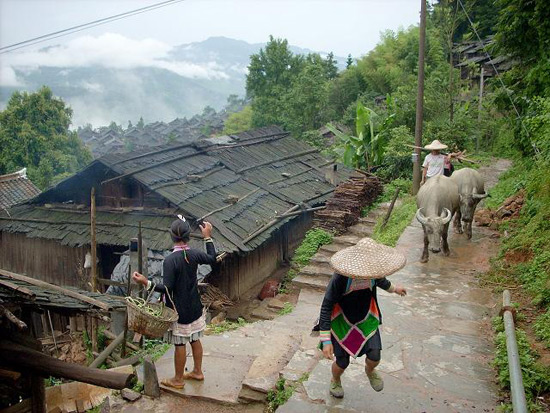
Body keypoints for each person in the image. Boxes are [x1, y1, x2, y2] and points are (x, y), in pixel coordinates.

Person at [132, 217, 217, 390]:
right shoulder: (193, 254)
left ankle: (178, 379)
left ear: (171, 236)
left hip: (179, 310)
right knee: (195, 338)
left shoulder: (170, 260)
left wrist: (145, 282)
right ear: (188, 237)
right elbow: (212, 258)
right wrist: (207, 236)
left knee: (180, 344)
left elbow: (167, 289)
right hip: (194, 306)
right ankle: (197, 371)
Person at [318, 238, 407, 398]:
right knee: (342, 362)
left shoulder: (374, 271)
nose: (370, 271)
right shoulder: (341, 278)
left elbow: (381, 281)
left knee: (375, 356)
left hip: (366, 317)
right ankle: (335, 379)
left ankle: (370, 370)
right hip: (342, 321)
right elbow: (326, 306)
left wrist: (395, 289)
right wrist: (326, 341)